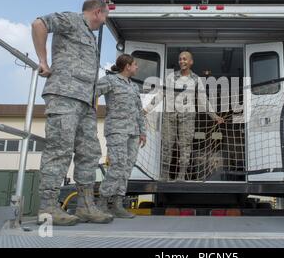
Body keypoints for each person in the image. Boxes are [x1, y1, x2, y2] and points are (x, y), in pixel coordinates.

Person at [32, 0, 113, 226]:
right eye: (105, 16)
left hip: (86, 102)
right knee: (59, 149)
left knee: (89, 152)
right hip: (64, 96)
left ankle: (86, 206)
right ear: (98, 12)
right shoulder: (71, 19)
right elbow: (39, 24)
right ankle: (47, 208)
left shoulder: (89, 34)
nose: (104, 21)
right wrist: (43, 61)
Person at [144, 51, 224, 181]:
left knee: (185, 147)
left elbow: (203, 100)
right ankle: (164, 175)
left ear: (191, 62)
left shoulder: (196, 79)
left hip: (187, 118)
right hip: (169, 117)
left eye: (185, 59)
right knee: (167, 146)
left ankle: (181, 176)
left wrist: (214, 116)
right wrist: (146, 109)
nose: (182, 61)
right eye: (180, 59)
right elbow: (160, 95)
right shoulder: (170, 77)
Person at [96, 54, 146, 218]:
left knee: (126, 168)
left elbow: (139, 111)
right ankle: (102, 203)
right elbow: (91, 93)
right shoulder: (109, 80)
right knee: (116, 166)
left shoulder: (133, 87)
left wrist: (143, 132)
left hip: (133, 132)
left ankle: (117, 204)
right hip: (116, 130)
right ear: (128, 66)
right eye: (135, 64)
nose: (137, 67)